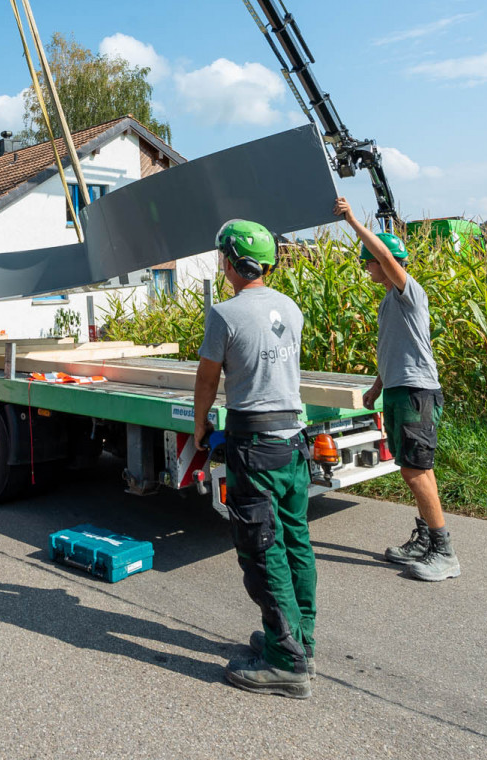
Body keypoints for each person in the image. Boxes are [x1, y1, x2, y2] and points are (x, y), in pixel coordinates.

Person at [192, 218, 315, 700]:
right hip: (294, 443)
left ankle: (286, 662)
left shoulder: (225, 315)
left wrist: (200, 426)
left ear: (231, 262)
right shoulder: (291, 307)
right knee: (296, 541)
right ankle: (301, 640)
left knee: (263, 549)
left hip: (256, 447)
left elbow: (208, 378)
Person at [335, 196, 461, 582]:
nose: (366, 267)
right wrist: (377, 388)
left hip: (416, 392)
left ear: (383, 262)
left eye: (368, 261)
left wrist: (353, 221)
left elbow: (387, 257)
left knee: (415, 470)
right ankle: (425, 540)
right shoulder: (388, 302)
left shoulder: (409, 292)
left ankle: (444, 553)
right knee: (414, 468)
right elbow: (394, 351)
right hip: (396, 389)